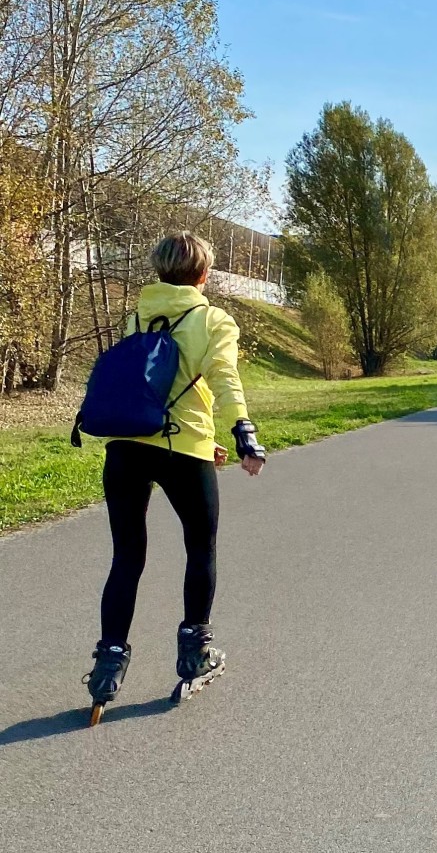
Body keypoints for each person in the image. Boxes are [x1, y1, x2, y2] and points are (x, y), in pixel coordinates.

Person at [83, 232, 267, 715]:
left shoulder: (138, 315)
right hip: (181, 450)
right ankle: (195, 652)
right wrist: (244, 432)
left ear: (160, 270)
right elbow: (223, 377)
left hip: (125, 447)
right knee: (199, 548)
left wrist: (212, 442)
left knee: (127, 557)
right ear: (204, 275)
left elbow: (144, 387)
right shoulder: (211, 319)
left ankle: (108, 663)